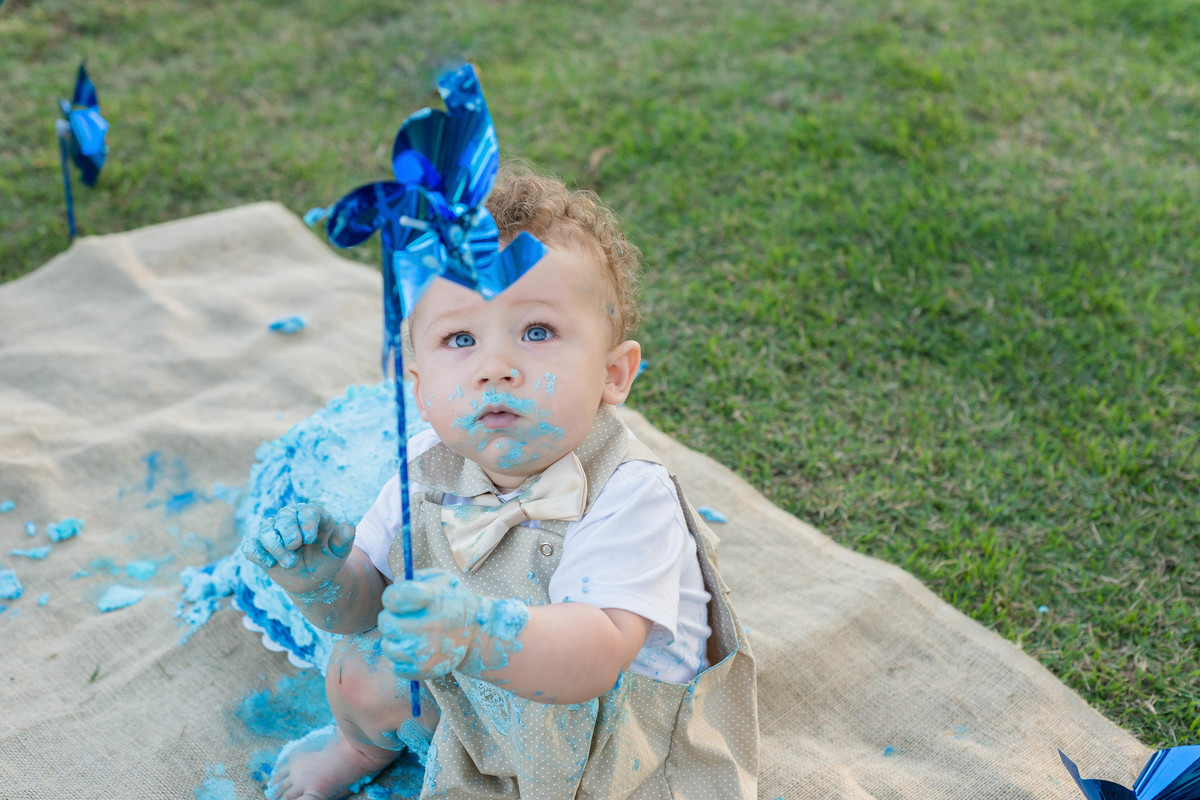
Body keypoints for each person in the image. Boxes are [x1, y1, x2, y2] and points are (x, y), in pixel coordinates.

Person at [243, 166, 757, 800]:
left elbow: (595, 656)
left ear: (613, 373)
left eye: (536, 332)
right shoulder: (425, 466)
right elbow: (363, 608)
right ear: (418, 386)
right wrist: (320, 577)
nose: (495, 367)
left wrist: (473, 635)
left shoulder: (630, 493)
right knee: (359, 668)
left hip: (614, 735)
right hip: (484, 687)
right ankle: (358, 745)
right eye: (460, 338)